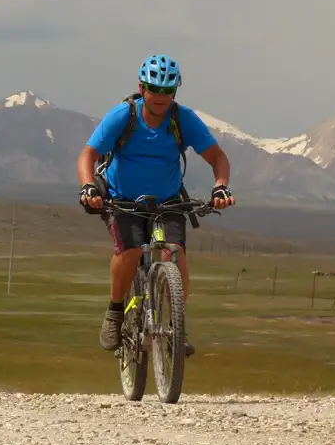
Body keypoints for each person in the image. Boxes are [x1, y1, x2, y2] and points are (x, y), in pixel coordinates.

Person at [76, 54, 235, 356]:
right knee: (131, 249)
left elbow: (218, 157)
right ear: (142, 87)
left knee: (174, 253)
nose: (160, 96)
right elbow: (88, 155)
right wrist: (88, 187)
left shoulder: (182, 119)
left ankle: (176, 326)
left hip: (169, 200)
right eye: (153, 88)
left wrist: (221, 186)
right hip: (122, 199)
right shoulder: (124, 116)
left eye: (167, 90)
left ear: (175, 91)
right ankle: (114, 312)